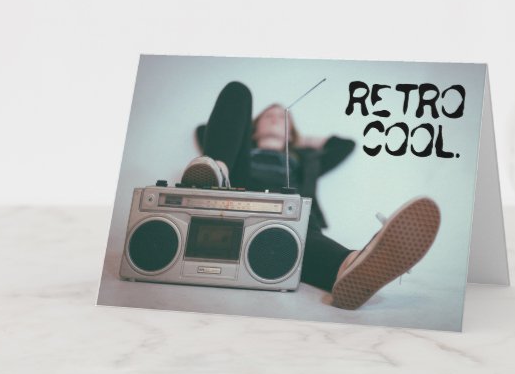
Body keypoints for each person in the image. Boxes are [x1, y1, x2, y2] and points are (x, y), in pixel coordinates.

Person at [181, 81, 440, 310]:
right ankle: (218, 173)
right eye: (268, 116)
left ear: (291, 132)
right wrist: (240, 139)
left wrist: (298, 140)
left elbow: (344, 145)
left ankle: (351, 265)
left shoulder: (306, 160)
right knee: (238, 90)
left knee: (302, 232)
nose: (275, 118)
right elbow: (206, 130)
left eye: (283, 118)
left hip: (287, 220)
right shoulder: (241, 151)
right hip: (236, 200)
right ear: (253, 127)